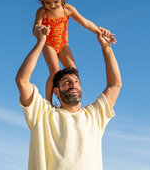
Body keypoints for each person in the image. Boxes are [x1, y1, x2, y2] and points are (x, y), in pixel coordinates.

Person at [16, 24, 122, 170]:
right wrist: (41, 41)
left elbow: (115, 85)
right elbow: (22, 80)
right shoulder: (42, 114)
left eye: (77, 82)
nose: (73, 85)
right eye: (67, 82)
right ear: (56, 92)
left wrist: (106, 48)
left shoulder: (94, 116)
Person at [34, 0, 117, 103]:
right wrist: (41, 29)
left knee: (74, 71)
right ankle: (48, 102)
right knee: (55, 72)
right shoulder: (42, 12)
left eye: (56, 1)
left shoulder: (68, 9)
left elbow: (85, 22)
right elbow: (35, 28)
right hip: (48, 45)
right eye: (48, 2)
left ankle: (71, 99)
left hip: (63, 45)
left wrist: (99, 32)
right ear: (42, 1)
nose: (52, 6)